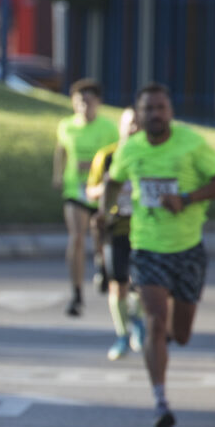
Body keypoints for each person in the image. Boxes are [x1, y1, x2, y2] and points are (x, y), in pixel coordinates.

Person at [104, 82, 215, 427]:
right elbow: (112, 180)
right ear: (138, 114)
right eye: (149, 109)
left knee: (181, 333)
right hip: (146, 247)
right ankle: (160, 401)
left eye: (161, 107)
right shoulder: (130, 150)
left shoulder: (191, 143)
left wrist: (187, 199)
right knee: (155, 322)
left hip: (188, 248)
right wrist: (106, 211)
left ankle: (173, 320)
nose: (155, 114)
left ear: (170, 112)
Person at [53, 78, 119, 316]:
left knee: (100, 234)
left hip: (102, 190)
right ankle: (77, 293)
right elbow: (60, 150)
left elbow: (117, 158)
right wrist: (57, 175)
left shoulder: (108, 128)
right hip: (75, 189)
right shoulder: (66, 125)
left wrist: (96, 168)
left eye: (89, 101)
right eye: (79, 101)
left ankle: (102, 263)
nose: (84, 106)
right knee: (77, 238)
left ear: (98, 103)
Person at [86, 106, 145, 361]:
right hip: (114, 228)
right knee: (117, 283)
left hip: (144, 230)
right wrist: (109, 186)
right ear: (120, 125)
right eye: (129, 123)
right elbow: (90, 191)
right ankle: (122, 334)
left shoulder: (149, 156)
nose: (134, 128)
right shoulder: (107, 156)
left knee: (142, 282)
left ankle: (138, 322)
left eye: (138, 124)